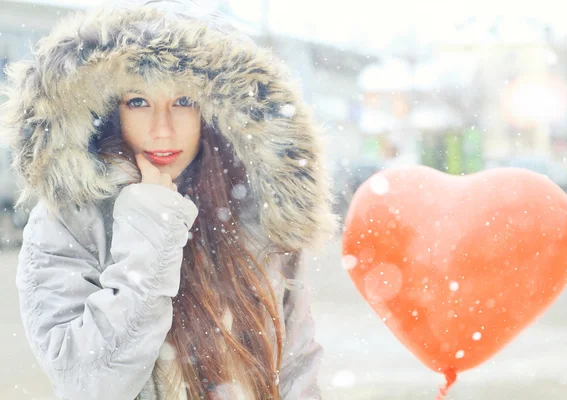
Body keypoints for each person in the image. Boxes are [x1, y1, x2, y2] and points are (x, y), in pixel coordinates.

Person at [0, 3, 337, 399]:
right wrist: (150, 227)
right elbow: (89, 382)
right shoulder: (69, 221)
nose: (162, 130)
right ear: (108, 110)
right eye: (138, 102)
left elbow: (295, 373)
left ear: (212, 113)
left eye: (183, 102)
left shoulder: (256, 215)